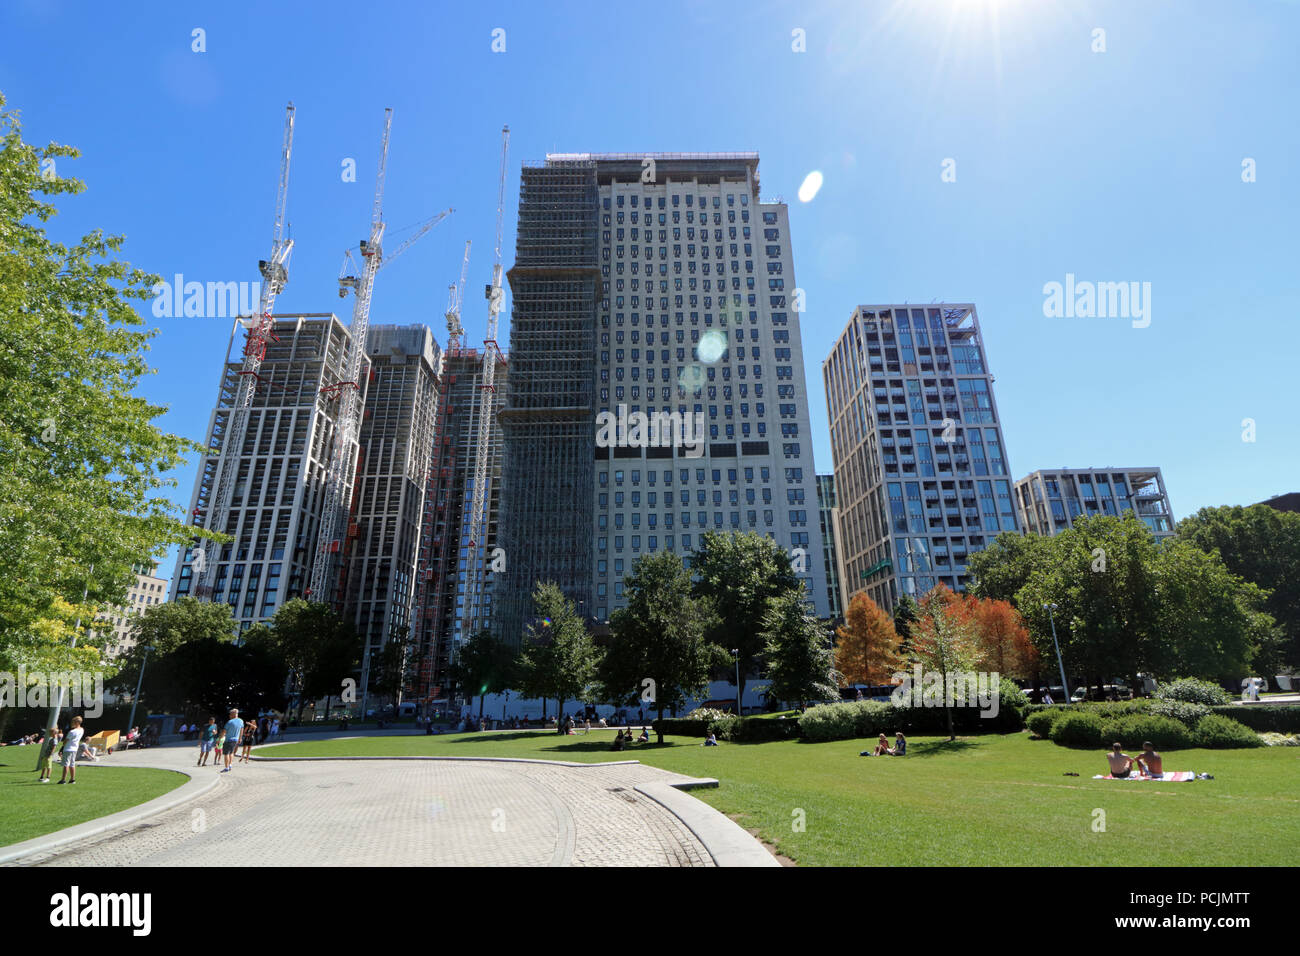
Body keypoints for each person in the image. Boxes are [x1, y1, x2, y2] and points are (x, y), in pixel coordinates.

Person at [58, 716, 84, 784]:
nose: (72, 723)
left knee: (66, 764)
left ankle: (63, 780)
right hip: (75, 749)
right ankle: (72, 779)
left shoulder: (72, 731)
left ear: (77, 722)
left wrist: (61, 748)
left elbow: (65, 741)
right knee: (72, 764)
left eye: (73, 722)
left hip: (68, 749)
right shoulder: (82, 730)